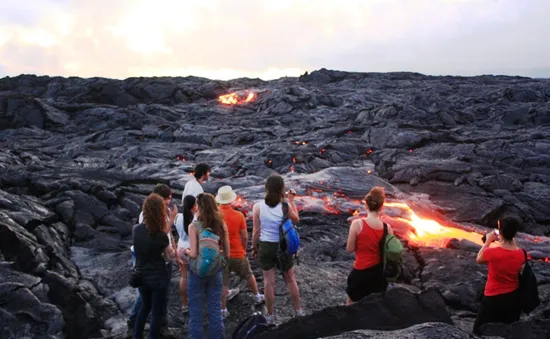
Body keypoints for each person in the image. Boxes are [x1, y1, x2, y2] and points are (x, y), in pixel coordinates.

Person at [251, 174, 303, 326]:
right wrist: (291, 201)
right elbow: (296, 219)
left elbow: (255, 231)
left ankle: (271, 316)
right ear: (282, 189)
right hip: (283, 246)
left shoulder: (257, 207)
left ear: (266, 188)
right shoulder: (284, 207)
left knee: (269, 282)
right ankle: (298, 312)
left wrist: (254, 247)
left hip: (266, 246)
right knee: (290, 279)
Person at [128, 184, 177, 339]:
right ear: (159, 211)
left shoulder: (136, 229)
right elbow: (169, 256)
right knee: (156, 312)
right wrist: (178, 253)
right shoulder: (161, 236)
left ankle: (137, 335)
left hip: (141, 274)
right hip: (157, 277)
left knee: (144, 307)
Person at [184, 193, 230, 339]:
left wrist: (184, 250)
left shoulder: (194, 226)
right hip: (215, 272)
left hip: (196, 272)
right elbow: (227, 253)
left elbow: (193, 253)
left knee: (196, 312)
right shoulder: (221, 225)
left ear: (199, 207)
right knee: (215, 310)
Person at [216, 185, 265, 319]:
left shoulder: (216, 217)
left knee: (223, 283)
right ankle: (257, 296)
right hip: (237, 252)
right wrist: (243, 248)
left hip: (221, 254)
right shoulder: (238, 215)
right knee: (248, 275)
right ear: (231, 200)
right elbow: (244, 235)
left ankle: (222, 310)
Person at [473, 215, 525, 334]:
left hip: (492, 298)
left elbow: (479, 259)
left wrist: (487, 241)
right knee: (506, 332)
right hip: (513, 299)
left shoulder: (493, 252)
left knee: (478, 331)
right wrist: (506, 238)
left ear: (500, 231)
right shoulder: (521, 254)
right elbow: (512, 247)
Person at [345, 186, 393, 304]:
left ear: (366, 205)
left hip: (360, 273)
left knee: (351, 302)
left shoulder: (357, 224)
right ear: (381, 207)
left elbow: (350, 249)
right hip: (379, 275)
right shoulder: (388, 228)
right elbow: (391, 251)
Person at [174, 195, 196, 313]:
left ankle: (184, 304)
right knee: (196, 277)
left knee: (183, 277)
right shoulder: (195, 219)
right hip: (191, 250)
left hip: (180, 249)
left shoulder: (178, 217)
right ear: (194, 205)